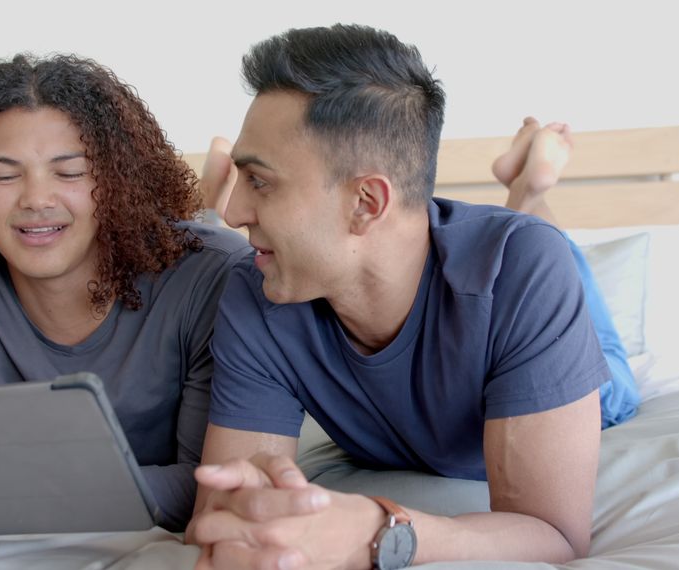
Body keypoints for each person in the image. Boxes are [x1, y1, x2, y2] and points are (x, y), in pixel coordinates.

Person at [188, 24, 638, 568]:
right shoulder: (259, 289)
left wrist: (380, 531)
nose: (232, 213)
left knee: (611, 375)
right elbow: (228, 518)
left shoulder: (521, 271)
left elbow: (555, 534)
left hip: (534, 274)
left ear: (366, 202)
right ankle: (525, 191)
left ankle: (530, 192)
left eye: (258, 182)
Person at [0, 54, 250, 557]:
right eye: (5, 175)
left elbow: (208, 485)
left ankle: (212, 193)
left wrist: (18, 495)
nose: (36, 198)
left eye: (71, 171)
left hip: (188, 259)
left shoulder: (216, 277)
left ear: (116, 180)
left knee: (208, 237)